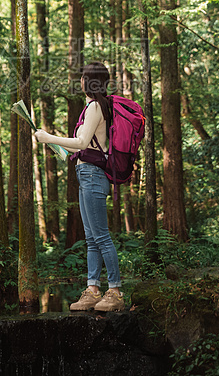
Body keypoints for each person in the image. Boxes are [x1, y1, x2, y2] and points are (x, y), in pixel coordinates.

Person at [35, 61, 125, 312]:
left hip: (93, 175)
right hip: (86, 173)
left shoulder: (96, 106)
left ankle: (115, 291)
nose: (81, 82)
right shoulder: (95, 106)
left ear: (90, 81)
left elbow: (83, 141)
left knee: (101, 236)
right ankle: (93, 289)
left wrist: (47, 137)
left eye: (84, 77)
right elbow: (81, 145)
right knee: (91, 238)